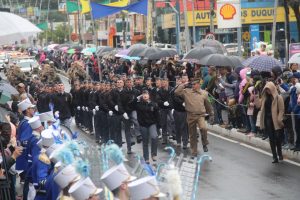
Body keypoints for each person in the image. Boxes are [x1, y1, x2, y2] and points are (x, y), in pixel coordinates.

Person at [175, 78, 214, 157]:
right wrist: (184, 84)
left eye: (194, 84)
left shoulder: (204, 93)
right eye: (192, 84)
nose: (193, 86)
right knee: (192, 135)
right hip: (190, 116)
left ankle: (204, 143)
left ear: (198, 84)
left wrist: (211, 114)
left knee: (203, 128)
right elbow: (176, 92)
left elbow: (208, 105)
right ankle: (194, 152)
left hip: (200, 115)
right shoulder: (187, 91)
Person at [259, 82, 285, 163]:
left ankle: (279, 153)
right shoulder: (264, 98)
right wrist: (256, 96)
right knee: (271, 138)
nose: (267, 91)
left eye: (269, 89)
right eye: (266, 89)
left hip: (276, 120)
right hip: (268, 120)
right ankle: (274, 156)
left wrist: (279, 118)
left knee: (277, 138)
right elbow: (258, 106)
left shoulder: (278, 97)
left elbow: (281, 110)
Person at [135, 90, 160, 163]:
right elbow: (131, 104)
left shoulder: (154, 104)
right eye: (143, 94)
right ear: (141, 95)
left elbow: (157, 115)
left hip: (152, 123)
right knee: (145, 141)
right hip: (143, 124)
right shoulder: (139, 104)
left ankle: (154, 154)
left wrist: (159, 126)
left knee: (154, 137)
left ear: (149, 95)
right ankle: (146, 157)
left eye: (146, 94)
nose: (145, 95)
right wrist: (137, 98)